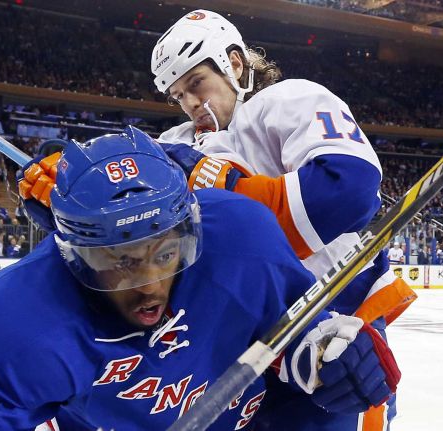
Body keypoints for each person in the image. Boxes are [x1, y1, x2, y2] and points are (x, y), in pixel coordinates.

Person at [0, 128, 399, 430]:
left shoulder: (239, 235)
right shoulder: (14, 319)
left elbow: (289, 333)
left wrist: (330, 354)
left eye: (165, 253)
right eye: (120, 260)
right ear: (72, 253)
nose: (147, 285)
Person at [149, 10, 414, 428]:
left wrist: (230, 191)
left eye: (196, 83)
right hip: (237, 342)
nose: (190, 103)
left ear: (233, 64)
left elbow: (348, 190)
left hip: (332, 329)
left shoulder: (288, 100)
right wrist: (63, 180)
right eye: (178, 95)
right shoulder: (176, 144)